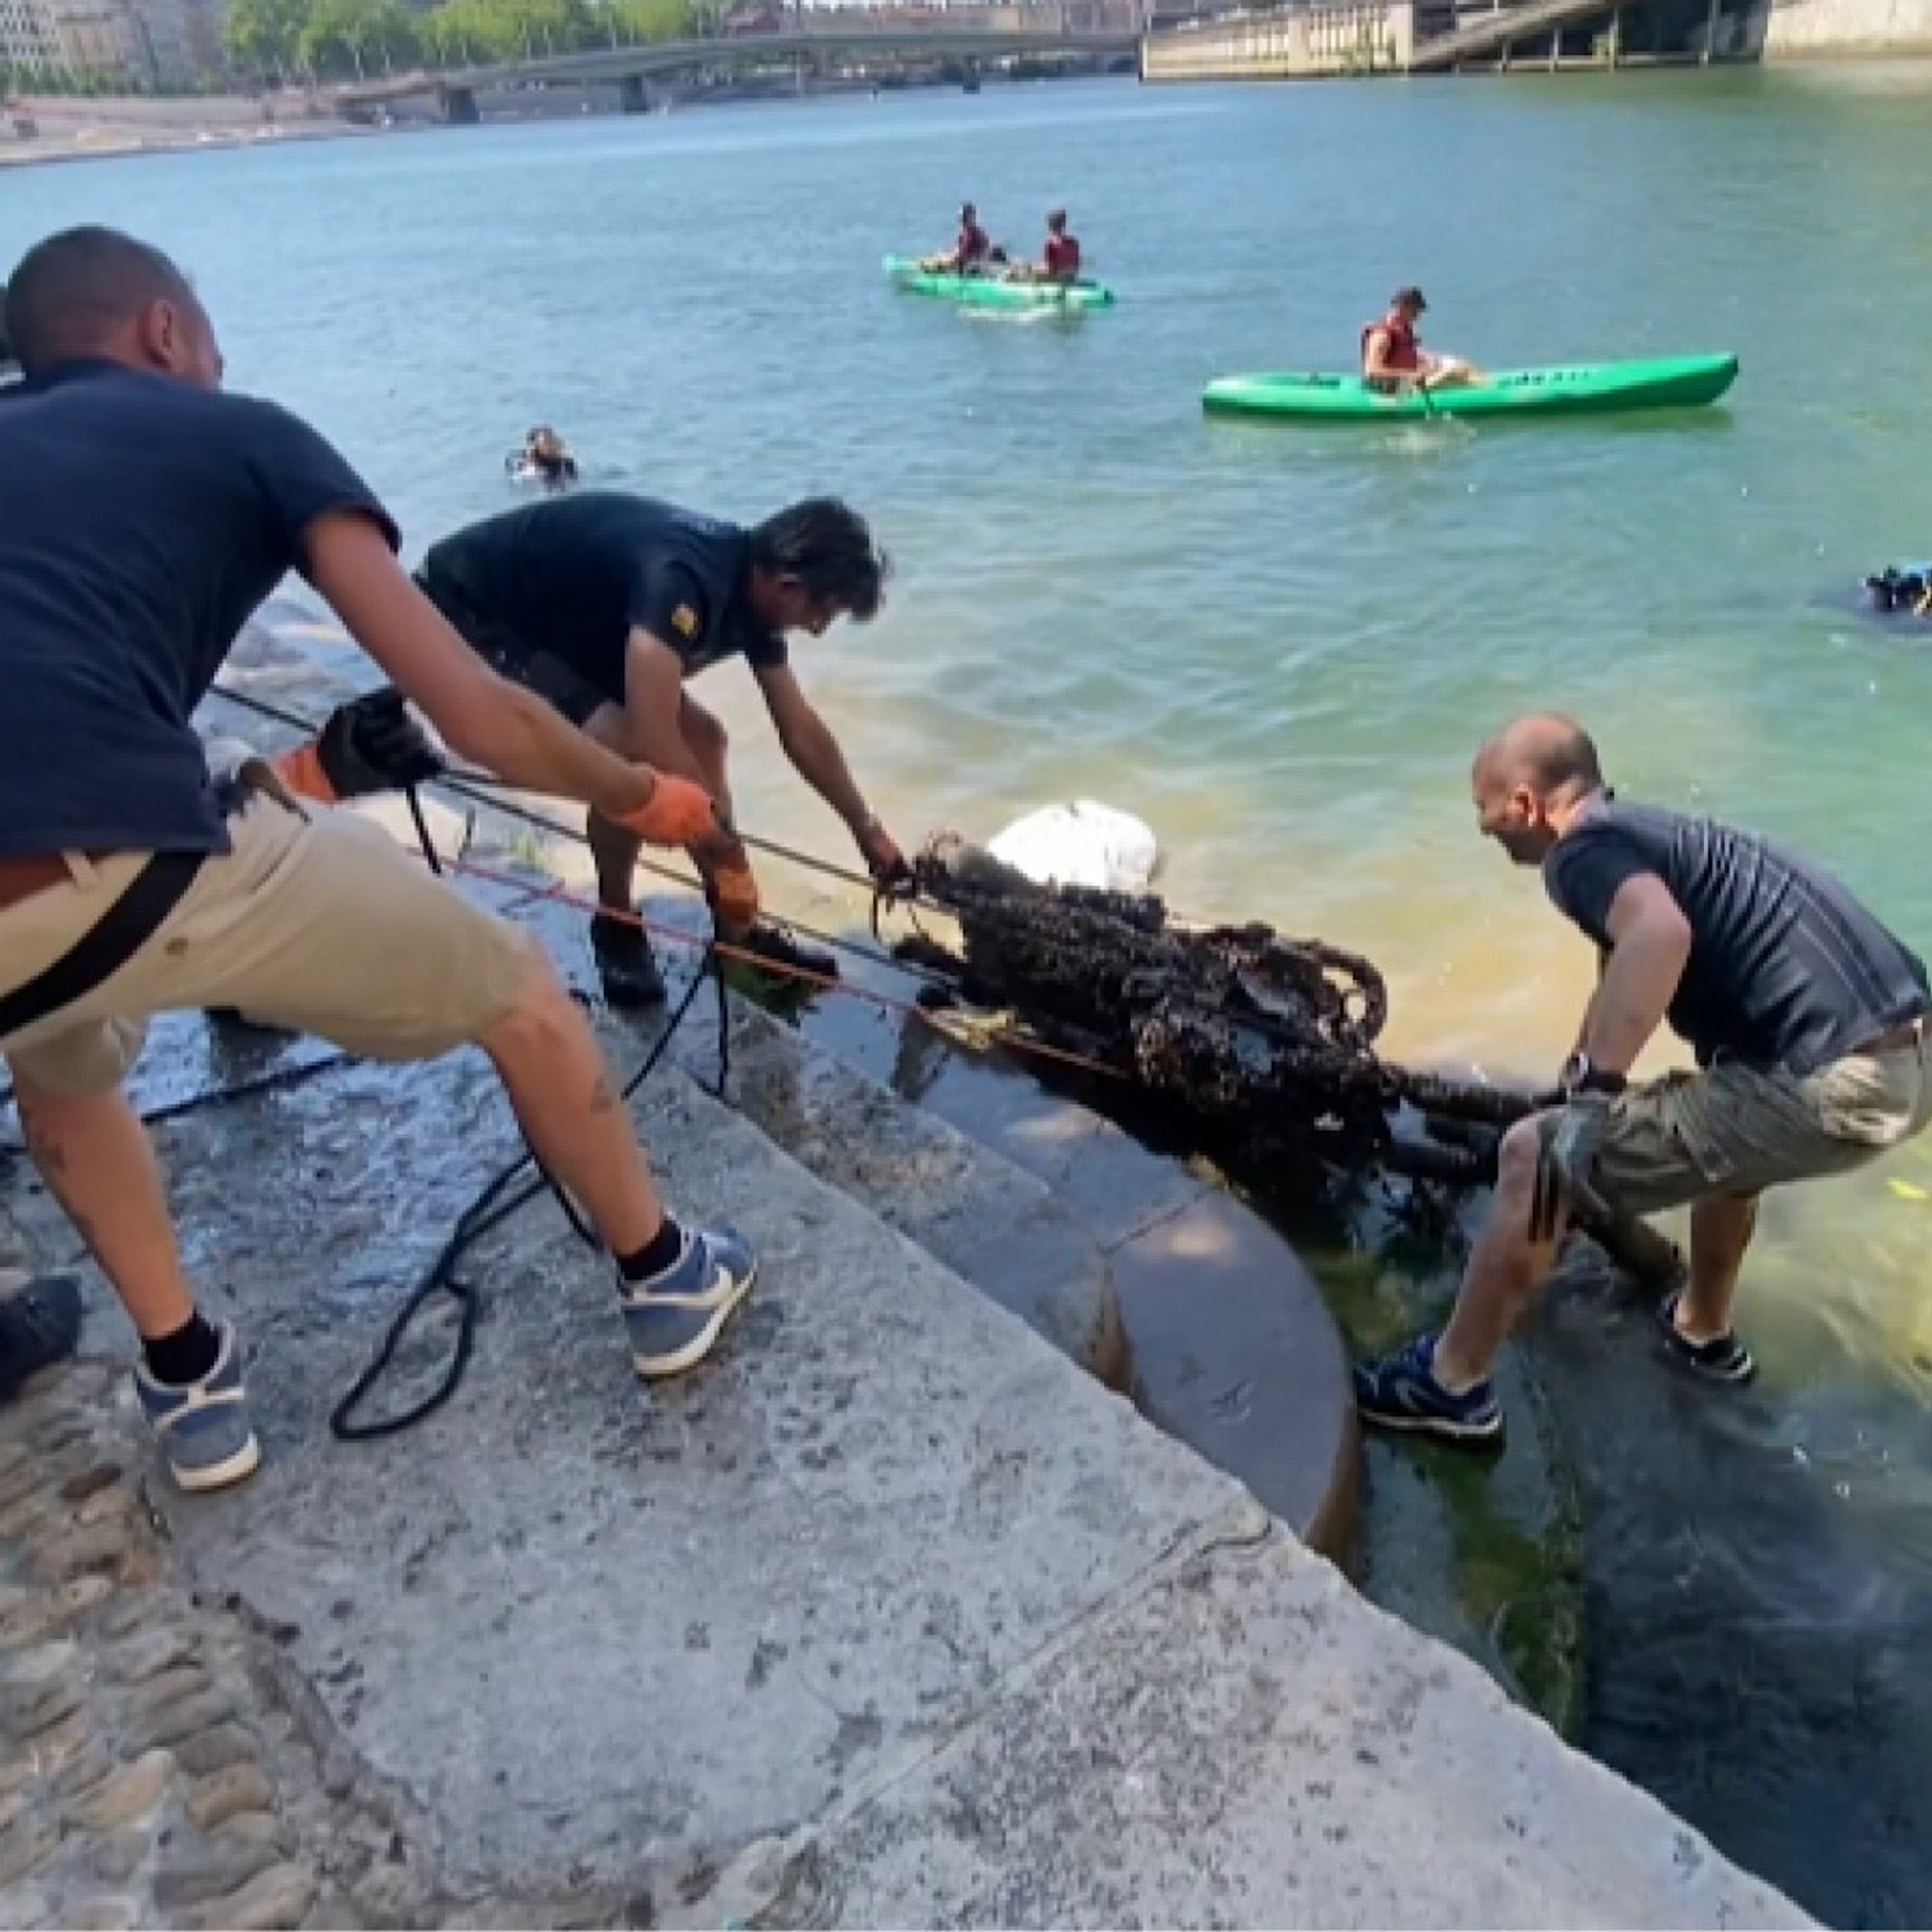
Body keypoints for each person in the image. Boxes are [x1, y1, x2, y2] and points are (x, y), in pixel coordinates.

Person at [0, 225, 759, 1496]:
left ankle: (191, 1384)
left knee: (57, 1048)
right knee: (521, 989)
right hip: (117, 854)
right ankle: (666, 1275)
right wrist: (647, 794)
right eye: (211, 338)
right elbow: (479, 720)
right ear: (164, 333)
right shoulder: (243, 431)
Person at [1353, 713, 1932, 1448]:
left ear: (1527, 805)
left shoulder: (1580, 853)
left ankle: (1451, 1383)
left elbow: (1660, 937)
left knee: (1535, 1159)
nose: (1483, 828)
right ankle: (1703, 1329)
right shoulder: (1648, 834)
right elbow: (1626, 964)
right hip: (1909, 1057)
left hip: (1836, 1081)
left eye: (1484, 809)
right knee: (1725, 1126)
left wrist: (1590, 1103)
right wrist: (1578, 1075)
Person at [407, 489, 911, 1009]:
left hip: (576, 625)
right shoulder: (682, 579)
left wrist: (866, 829)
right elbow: (651, 737)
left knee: (707, 741)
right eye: (820, 614)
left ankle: (737, 944)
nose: (816, 630)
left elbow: (800, 730)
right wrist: (722, 846)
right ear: (788, 585)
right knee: (633, 765)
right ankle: (617, 923)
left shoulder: (753, 592)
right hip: (474, 609)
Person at [1361, 286, 1481, 395]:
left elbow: (1406, 353)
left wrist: (1431, 359)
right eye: (1415, 310)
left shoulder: (1403, 328)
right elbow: (1372, 371)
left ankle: (1486, 386)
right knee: (1452, 372)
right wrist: (1410, 375)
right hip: (1394, 388)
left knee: (1461, 364)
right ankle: (1484, 394)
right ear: (1403, 306)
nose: (1418, 315)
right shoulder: (1382, 334)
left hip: (1411, 378)